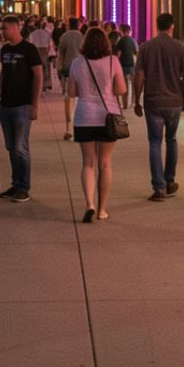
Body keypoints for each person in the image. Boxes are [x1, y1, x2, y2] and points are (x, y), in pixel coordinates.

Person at [67, 27, 129, 222]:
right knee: (105, 164)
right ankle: (102, 209)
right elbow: (121, 89)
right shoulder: (113, 62)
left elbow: (71, 92)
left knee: (88, 163)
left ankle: (89, 204)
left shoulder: (78, 63)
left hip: (84, 117)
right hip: (107, 117)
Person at [133, 12, 184, 201]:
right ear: (172, 26)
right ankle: (170, 181)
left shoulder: (146, 47)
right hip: (174, 102)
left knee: (154, 143)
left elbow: (140, 76)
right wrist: (183, 97)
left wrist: (136, 100)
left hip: (153, 101)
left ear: (157, 26)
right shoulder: (180, 47)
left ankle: (158, 188)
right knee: (172, 140)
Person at [0, 15, 43, 202]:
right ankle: (15, 185)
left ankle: (24, 187)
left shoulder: (29, 50)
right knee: (11, 147)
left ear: (15, 28)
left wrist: (34, 104)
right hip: (6, 105)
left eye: (5, 28)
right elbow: (3, 74)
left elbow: (38, 75)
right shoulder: (5, 49)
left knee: (20, 147)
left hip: (22, 105)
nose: (2, 32)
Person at [56, 18, 85, 139]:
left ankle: (68, 128)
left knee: (68, 98)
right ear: (78, 25)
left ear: (68, 25)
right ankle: (79, 126)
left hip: (67, 70)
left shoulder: (64, 37)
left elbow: (60, 54)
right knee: (80, 98)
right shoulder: (82, 36)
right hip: (81, 69)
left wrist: (59, 69)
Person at [113, 23, 138, 108]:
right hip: (131, 64)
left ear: (121, 30)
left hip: (123, 64)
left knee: (125, 85)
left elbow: (119, 54)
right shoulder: (132, 40)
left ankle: (125, 105)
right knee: (133, 84)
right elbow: (135, 53)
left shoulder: (120, 41)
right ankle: (134, 102)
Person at [28, 19, 55, 92]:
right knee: (46, 69)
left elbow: (30, 44)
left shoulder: (32, 34)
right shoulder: (46, 33)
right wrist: (48, 52)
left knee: (36, 70)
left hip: (36, 51)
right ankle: (45, 85)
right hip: (44, 51)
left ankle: (37, 85)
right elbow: (50, 44)